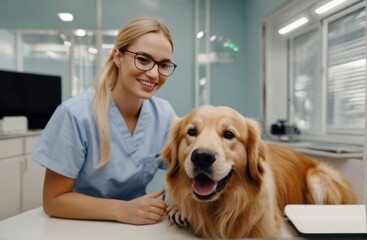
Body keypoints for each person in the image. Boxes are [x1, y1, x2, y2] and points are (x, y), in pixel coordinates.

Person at [31, 16, 178, 225]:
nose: (154, 73)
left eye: (163, 65)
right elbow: (53, 200)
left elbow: (187, 168)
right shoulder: (75, 114)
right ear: (118, 56)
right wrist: (121, 210)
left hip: (138, 226)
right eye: (143, 59)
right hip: (78, 224)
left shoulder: (164, 115)